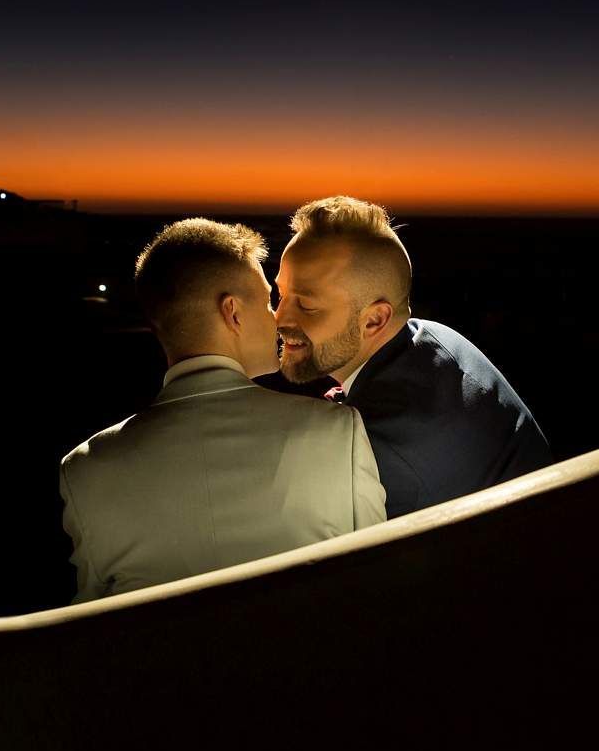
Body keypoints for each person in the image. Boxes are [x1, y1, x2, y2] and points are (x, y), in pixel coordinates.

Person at [61, 218, 386, 602]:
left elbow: (89, 620)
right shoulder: (335, 431)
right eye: (267, 301)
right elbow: (376, 583)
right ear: (232, 312)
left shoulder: (85, 468)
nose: (278, 318)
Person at [273, 196, 552, 516]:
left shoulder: (377, 455)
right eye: (280, 294)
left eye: (307, 305)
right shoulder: (431, 335)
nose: (280, 319)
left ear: (375, 319)